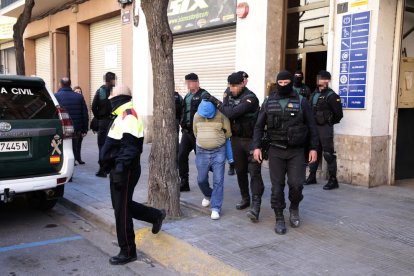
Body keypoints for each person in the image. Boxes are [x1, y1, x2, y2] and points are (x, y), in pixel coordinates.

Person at [100, 84, 166, 265]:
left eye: (111, 95)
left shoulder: (128, 116)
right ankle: (155, 215)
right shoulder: (121, 115)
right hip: (120, 169)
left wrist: (120, 170)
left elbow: (131, 148)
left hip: (125, 171)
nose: (109, 99)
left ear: (119, 98)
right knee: (122, 206)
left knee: (121, 211)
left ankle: (128, 251)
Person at [252, 70, 319, 235]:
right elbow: (259, 126)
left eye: (286, 83)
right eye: (280, 83)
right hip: (276, 150)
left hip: (296, 151)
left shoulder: (302, 101)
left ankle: (294, 207)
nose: (283, 86)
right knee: (277, 187)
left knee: (296, 185)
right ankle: (279, 217)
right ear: (277, 83)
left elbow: (312, 127)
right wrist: (257, 146)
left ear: (291, 83)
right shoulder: (268, 101)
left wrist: (313, 148)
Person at [206, 72, 264, 221]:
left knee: (254, 172)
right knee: (240, 171)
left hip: (251, 140)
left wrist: (214, 100)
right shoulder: (228, 93)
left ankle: (256, 206)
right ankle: (245, 198)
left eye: (234, 86)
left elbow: (230, 113)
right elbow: (225, 110)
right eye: (230, 86)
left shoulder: (251, 98)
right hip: (236, 140)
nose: (231, 89)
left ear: (243, 83)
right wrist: (221, 103)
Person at [193, 99, 232, 220]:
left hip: (218, 151)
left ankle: (216, 207)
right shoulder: (196, 116)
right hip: (202, 151)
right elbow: (196, 132)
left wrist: (230, 157)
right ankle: (208, 194)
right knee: (201, 179)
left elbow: (228, 134)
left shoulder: (221, 115)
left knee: (218, 180)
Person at [305, 70, 343, 190]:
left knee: (328, 154)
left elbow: (338, 114)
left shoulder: (332, 96)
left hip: (325, 128)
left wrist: (329, 122)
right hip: (314, 128)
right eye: (318, 78)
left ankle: (333, 180)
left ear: (327, 80)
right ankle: (312, 176)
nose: (318, 80)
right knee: (313, 151)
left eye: (321, 78)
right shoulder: (314, 94)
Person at [178, 73, 210, 192]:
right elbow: (184, 111)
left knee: (201, 160)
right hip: (187, 132)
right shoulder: (187, 96)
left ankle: (204, 184)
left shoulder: (204, 95)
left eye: (189, 83)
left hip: (199, 134)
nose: (187, 85)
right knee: (181, 155)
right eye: (186, 83)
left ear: (196, 82)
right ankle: (184, 182)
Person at [55, 78, 89, 166]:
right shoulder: (79, 97)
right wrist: (85, 129)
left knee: (63, 148)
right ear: (70, 84)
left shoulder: (56, 96)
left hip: (61, 128)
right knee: (74, 147)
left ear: (60, 84)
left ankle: (66, 167)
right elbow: (84, 114)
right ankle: (72, 163)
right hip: (76, 128)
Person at [92, 72, 116, 177]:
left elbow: (94, 106)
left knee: (102, 145)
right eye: (115, 79)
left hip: (103, 121)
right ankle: (110, 167)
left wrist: (98, 117)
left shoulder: (101, 91)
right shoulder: (115, 91)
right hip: (113, 121)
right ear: (112, 80)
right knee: (112, 144)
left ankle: (102, 169)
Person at [175, 91, 184, 164]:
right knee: (176, 141)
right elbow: (183, 109)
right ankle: (177, 160)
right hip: (176, 121)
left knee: (175, 141)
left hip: (174, 121)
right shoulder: (178, 96)